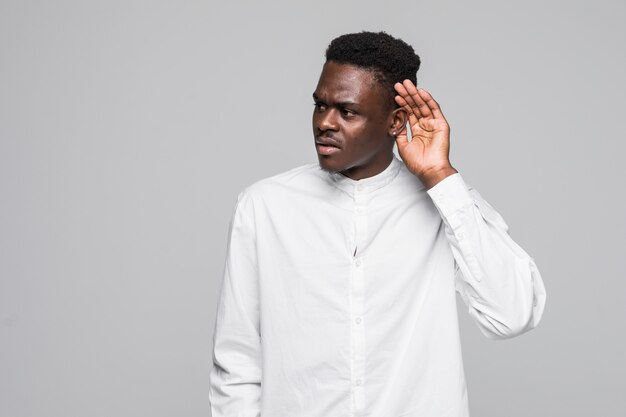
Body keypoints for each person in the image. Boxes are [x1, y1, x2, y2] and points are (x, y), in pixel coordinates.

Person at [208, 31, 546, 417]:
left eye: (347, 112)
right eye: (320, 106)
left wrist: (440, 177)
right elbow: (235, 365)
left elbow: (513, 314)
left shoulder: (448, 204)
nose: (325, 123)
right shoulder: (264, 206)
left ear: (395, 120)